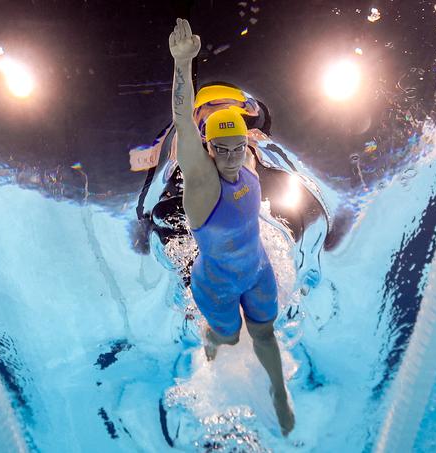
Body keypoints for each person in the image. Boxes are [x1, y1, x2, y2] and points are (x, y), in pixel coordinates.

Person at [168, 18, 295, 436]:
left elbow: (242, 135)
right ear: (206, 149)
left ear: (247, 143)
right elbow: (184, 123)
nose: (230, 159)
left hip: (257, 270)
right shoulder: (203, 183)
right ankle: (209, 349)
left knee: (264, 334)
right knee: (228, 337)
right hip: (216, 284)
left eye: (237, 148)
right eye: (219, 151)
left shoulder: (248, 159)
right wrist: (182, 64)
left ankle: (278, 391)